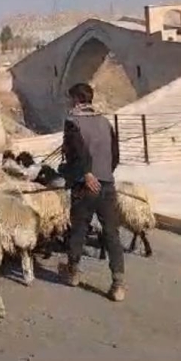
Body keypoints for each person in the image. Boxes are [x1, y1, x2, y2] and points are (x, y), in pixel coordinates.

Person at [58, 83, 125, 301]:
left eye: (71, 99)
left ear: (77, 100)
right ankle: (118, 284)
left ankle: (74, 272)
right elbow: (115, 155)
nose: (70, 103)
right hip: (107, 184)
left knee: (79, 230)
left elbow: (76, 150)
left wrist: (87, 174)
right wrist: (103, 175)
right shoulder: (106, 122)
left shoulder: (72, 122)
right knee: (111, 233)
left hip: (84, 185)